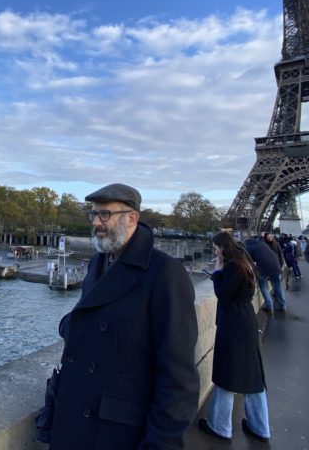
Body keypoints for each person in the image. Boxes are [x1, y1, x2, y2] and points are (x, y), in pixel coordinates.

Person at [44, 183, 199, 449]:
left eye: (105, 214)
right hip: (73, 414)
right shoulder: (97, 262)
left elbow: (178, 379)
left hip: (115, 432)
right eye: (93, 214)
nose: (96, 222)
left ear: (132, 218)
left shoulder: (165, 273)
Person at [199, 231, 270, 443]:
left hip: (233, 323)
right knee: (253, 376)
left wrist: (218, 273)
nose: (214, 251)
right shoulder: (245, 262)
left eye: (215, 247)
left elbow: (224, 294)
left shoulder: (232, 266)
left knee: (227, 374)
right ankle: (261, 427)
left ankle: (220, 426)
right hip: (247, 320)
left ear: (222, 247)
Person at [245, 236, 287, 314]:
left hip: (263, 268)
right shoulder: (262, 244)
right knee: (278, 286)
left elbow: (250, 260)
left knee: (263, 286)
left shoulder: (248, 247)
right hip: (276, 266)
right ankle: (283, 307)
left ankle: (270, 307)